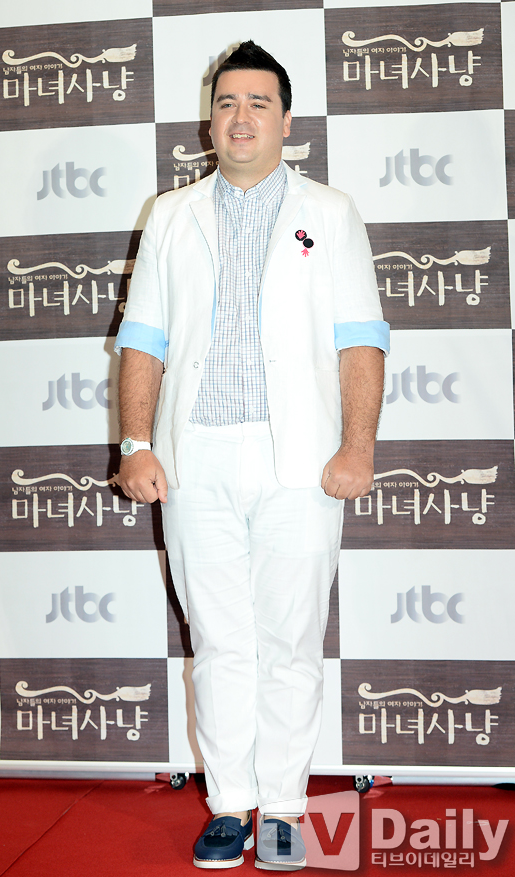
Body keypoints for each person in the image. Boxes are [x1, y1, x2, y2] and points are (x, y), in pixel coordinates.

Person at [115, 41, 388, 871]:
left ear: (286, 121)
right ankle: (230, 804)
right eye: (227, 102)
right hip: (194, 458)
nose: (241, 117)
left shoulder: (330, 212)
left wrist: (357, 446)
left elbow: (361, 339)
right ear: (210, 120)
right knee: (220, 641)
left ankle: (284, 808)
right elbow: (143, 340)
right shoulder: (171, 214)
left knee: (291, 639)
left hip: (300, 462)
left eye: (258, 103)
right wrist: (136, 442)